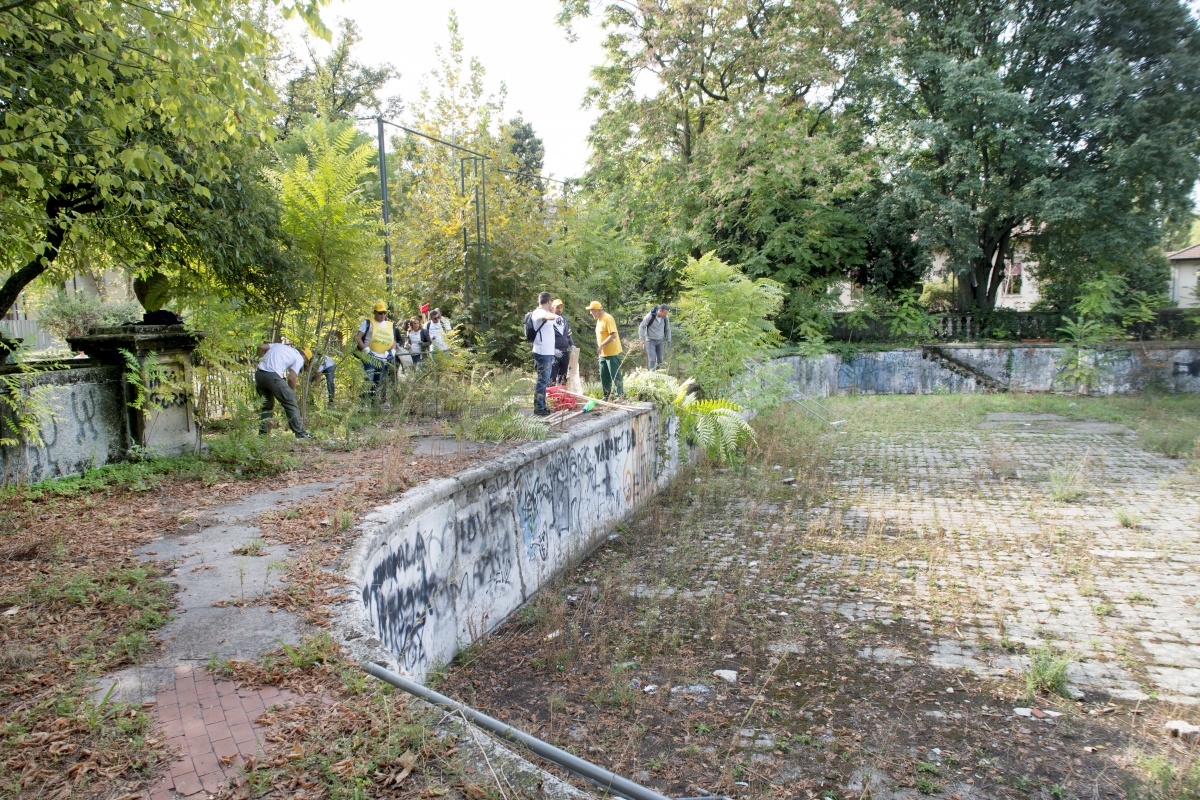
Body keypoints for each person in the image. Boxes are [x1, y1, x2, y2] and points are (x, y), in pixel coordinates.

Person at [254, 342, 313, 439]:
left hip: (259, 374)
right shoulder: (299, 358)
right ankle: (301, 434)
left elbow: (261, 346)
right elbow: (291, 378)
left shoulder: (280, 346)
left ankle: (263, 435)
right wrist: (291, 392)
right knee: (290, 402)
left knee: (267, 405)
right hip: (273, 376)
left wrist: (258, 360)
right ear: (305, 358)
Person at [355, 301, 398, 406]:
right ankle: (363, 404)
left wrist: (392, 351)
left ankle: (374, 404)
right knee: (368, 380)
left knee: (378, 382)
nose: (382, 315)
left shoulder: (389, 325)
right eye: (380, 313)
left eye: (384, 313)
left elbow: (393, 340)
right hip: (370, 356)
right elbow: (357, 337)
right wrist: (365, 349)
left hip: (383, 357)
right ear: (375, 313)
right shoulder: (368, 323)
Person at [526, 292, 558, 416]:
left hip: (547, 352)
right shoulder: (538, 312)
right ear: (549, 301)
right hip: (542, 352)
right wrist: (551, 312)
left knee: (544, 380)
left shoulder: (544, 313)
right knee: (542, 380)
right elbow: (549, 317)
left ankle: (541, 405)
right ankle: (539, 407)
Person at [586, 300, 624, 400]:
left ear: (596, 310)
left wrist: (602, 345)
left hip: (612, 352)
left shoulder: (608, 318)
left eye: (591, 311)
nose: (590, 313)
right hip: (603, 353)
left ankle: (620, 395)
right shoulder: (599, 320)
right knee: (604, 376)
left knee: (615, 375)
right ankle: (606, 396)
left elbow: (613, 335)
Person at [638, 303, 672, 371]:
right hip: (650, 341)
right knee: (652, 360)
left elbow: (668, 329)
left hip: (660, 341)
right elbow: (641, 326)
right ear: (660, 310)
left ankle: (658, 375)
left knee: (660, 360)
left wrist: (669, 340)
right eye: (665, 313)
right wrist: (641, 338)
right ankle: (651, 376)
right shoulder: (650, 316)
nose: (666, 315)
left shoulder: (665, 318)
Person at [549, 299, 573, 385]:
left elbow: (569, 334)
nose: (559, 309)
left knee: (563, 375)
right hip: (554, 352)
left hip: (565, 351)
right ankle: (551, 395)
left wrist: (572, 345)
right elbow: (546, 338)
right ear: (553, 308)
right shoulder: (549, 320)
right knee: (552, 375)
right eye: (557, 307)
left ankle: (562, 395)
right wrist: (553, 349)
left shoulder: (565, 320)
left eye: (561, 307)